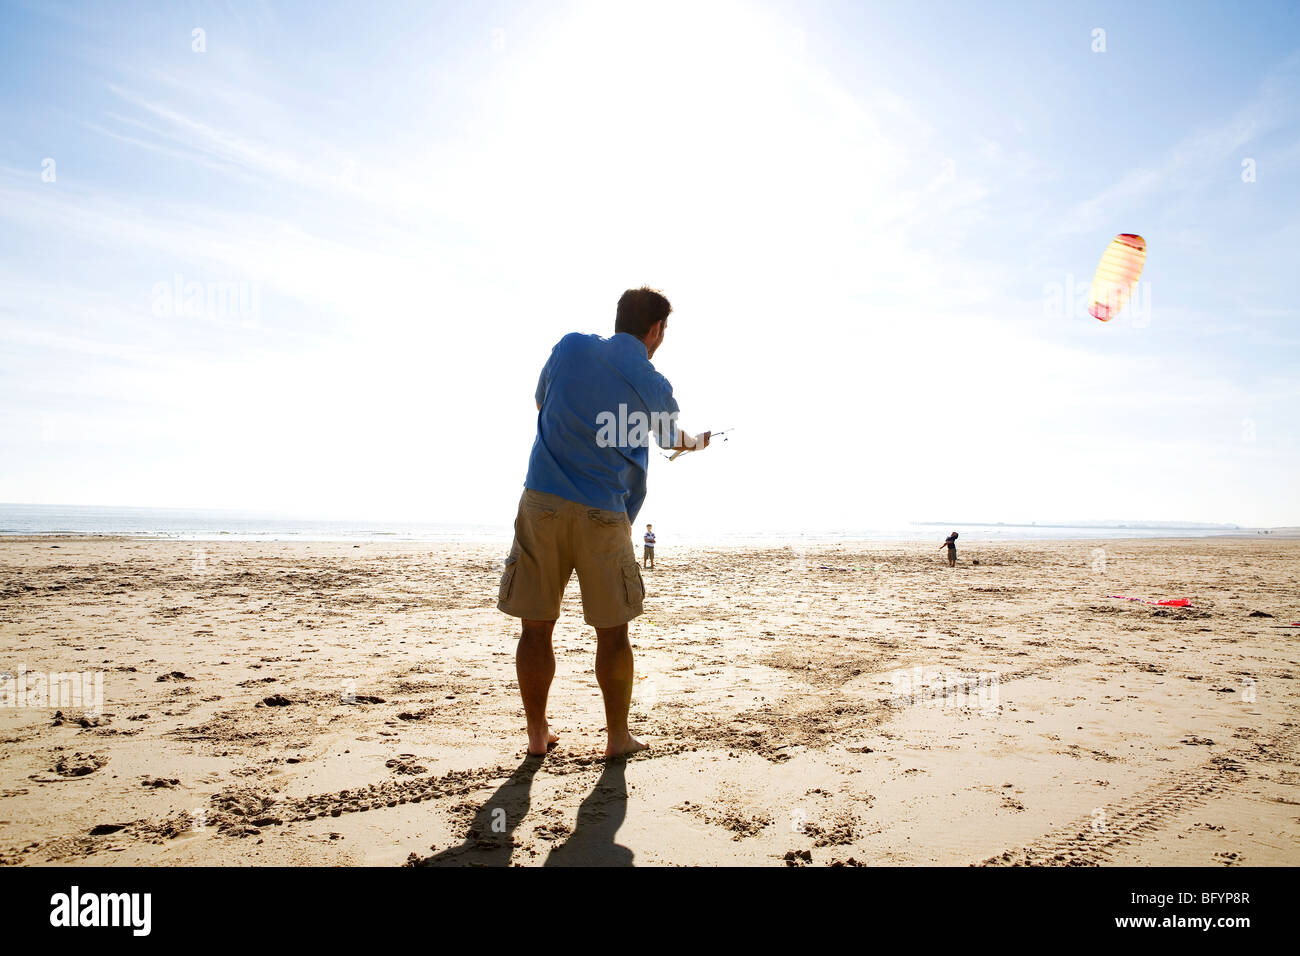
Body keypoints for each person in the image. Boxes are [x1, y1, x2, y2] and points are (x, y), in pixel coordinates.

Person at [498, 287, 710, 757]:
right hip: (604, 515)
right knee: (613, 633)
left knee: (535, 629)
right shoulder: (653, 382)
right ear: (656, 330)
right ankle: (617, 738)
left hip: (543, 503)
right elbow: (671, 438)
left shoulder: (571, 345)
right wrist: (697, 443)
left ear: (618, 319)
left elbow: (540, 402)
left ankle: (537, 735)